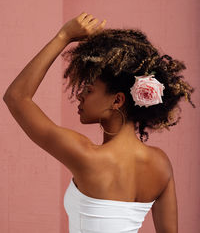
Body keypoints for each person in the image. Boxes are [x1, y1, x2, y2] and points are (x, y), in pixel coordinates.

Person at [3, 12, 195, 233]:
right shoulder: (160, 163)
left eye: (89, 89)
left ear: (117, 100)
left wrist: (63, 36)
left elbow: (16, 97)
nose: (80, 95)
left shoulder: (86, 155)